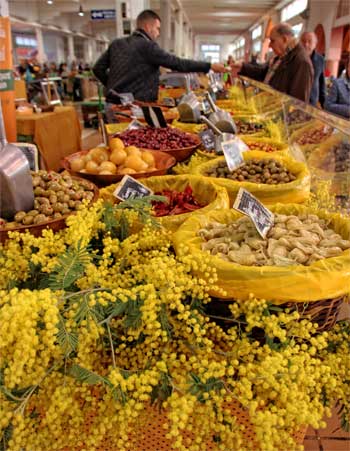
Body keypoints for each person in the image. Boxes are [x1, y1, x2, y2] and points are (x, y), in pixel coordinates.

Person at [92, 9, 226, 112]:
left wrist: (113, 87)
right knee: (133, 145)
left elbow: (97, 68)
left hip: (111, 105)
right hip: (133, 108)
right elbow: (178, 64)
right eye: (157, 29)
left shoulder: (116, 43)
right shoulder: (147, 46)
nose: (158, 33)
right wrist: (209, 66)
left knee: (114, 145)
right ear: (148, 26)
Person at [231, 23, 314, 102]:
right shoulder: (282, 56)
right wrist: (242, 67)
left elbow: (298, 102)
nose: (270, 45)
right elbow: (263, 72)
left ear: (284, 39)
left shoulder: (301, 61)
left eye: (272, 41)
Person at [300, 31, 326, 108]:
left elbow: (321, 81)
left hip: (312, 101)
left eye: (310, 41)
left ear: (315, 44)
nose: (306, 44)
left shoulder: (320, 59)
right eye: (303, 41)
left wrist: (323, 101)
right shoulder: (295, 58)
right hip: (295, 98)